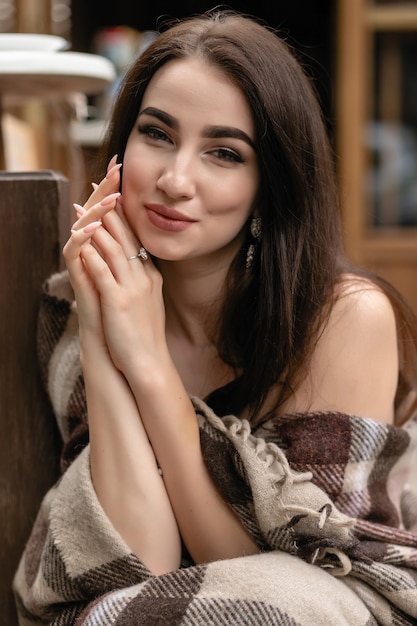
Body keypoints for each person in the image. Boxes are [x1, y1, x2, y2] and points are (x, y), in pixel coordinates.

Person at [13, 9, 417, 625]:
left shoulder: (344, 319)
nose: (176, 180)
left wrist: (148, 365)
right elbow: (137, 558)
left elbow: (267, 576)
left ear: (270, 185)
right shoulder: (76, 305)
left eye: (224, 153)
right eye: (157, 134)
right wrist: (100, 327)